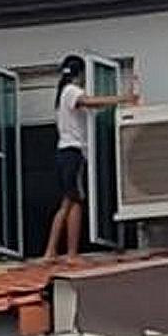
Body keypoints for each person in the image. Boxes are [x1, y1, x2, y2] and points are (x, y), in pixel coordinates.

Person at [41, 56, 140, 262]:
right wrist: (123, 98)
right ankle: (61, 252)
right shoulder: (71, 91)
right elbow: (90, 102)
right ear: (81, 74)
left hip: (66, 153)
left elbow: (90, 106)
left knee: (71, 202)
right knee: (72, 203)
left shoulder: (63, 93)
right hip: (72, 153)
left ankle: (61, 252)